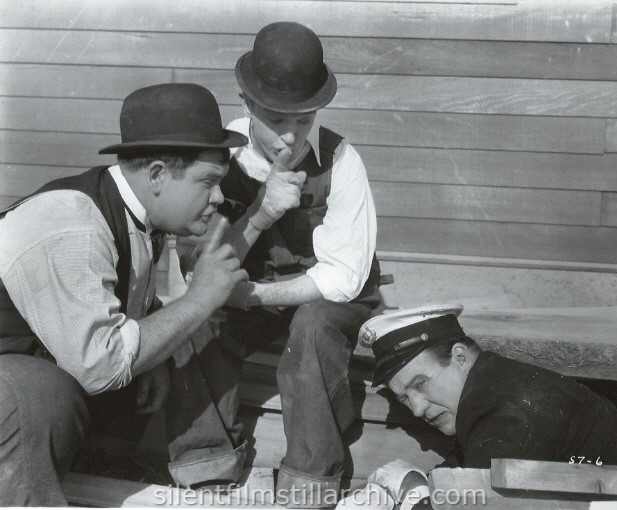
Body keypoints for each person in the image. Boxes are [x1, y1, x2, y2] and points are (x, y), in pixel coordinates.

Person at [0, 83, 262, 505]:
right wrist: (200, 298)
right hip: (16, 389)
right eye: (208, 182)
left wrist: (154, 361)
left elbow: (126, 314)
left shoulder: (139, 218)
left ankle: (94, 469)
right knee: (40, 391)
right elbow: (100, 365)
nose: (218, 198)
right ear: (157, 174)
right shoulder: (74, 224)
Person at [177, 21, 379, 508]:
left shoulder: (341, 159)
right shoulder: (217, 158)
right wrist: (262, 211)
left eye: (304, 120)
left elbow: (343, 278)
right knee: (196, 320)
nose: (290, 137)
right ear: (246, 103)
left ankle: (311, 482)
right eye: (276, 119)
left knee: (311, 327)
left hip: (325, 300)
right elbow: (196, 269)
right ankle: (205, 466)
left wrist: (255, 295)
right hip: (249, 294)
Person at [337, 306, 617, 509]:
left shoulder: (504, 410)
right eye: (404, 398)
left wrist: (410, 488)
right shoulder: (490, 385)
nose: (416, 409)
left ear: (460, 357)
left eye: (420, 384)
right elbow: (474, 468)